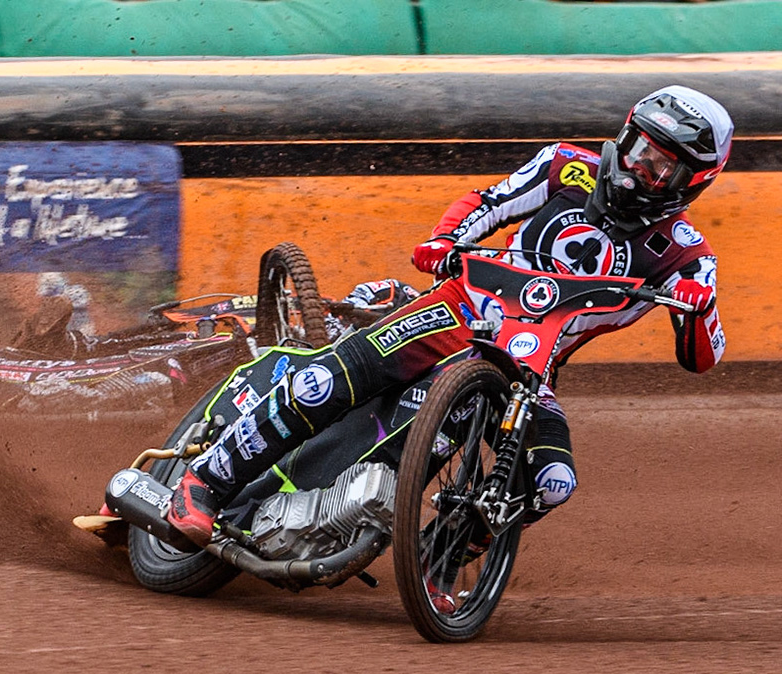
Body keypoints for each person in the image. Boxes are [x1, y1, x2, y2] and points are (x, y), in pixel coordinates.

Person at [166, 85, 733, 609]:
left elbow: (704, 356)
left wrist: (699, 304)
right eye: (638, 147)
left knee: (553, 482)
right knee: (328, 380)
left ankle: (441, 558)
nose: (638, 167)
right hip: (458, 307)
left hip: (532, 367)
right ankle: (205, 483)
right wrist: (445, 241)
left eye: (662, 165)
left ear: (693, 182)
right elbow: (490, 201)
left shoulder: (687, 254)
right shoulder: (567, 165)